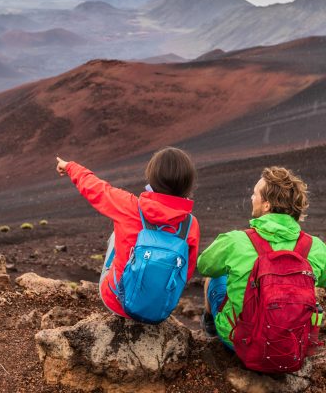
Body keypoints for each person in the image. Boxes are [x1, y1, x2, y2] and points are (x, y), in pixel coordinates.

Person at [56, 147, 200, 319]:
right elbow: (186, 271)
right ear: (188, 183)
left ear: (152, 179)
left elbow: (95, 188)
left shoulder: (129, 206)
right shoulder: (190, 225)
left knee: (117, 234)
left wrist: (69, 166)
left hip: (117, 302)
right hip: (158, 310)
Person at [198, 166, 326, 350]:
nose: (252, 198)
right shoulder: (315, 247)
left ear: (267, 205)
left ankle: (210, 327)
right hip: (291, 345)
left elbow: (204, 266)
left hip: (242, 342)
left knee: (215, 276)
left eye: (255, 194)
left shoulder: (235, 241)